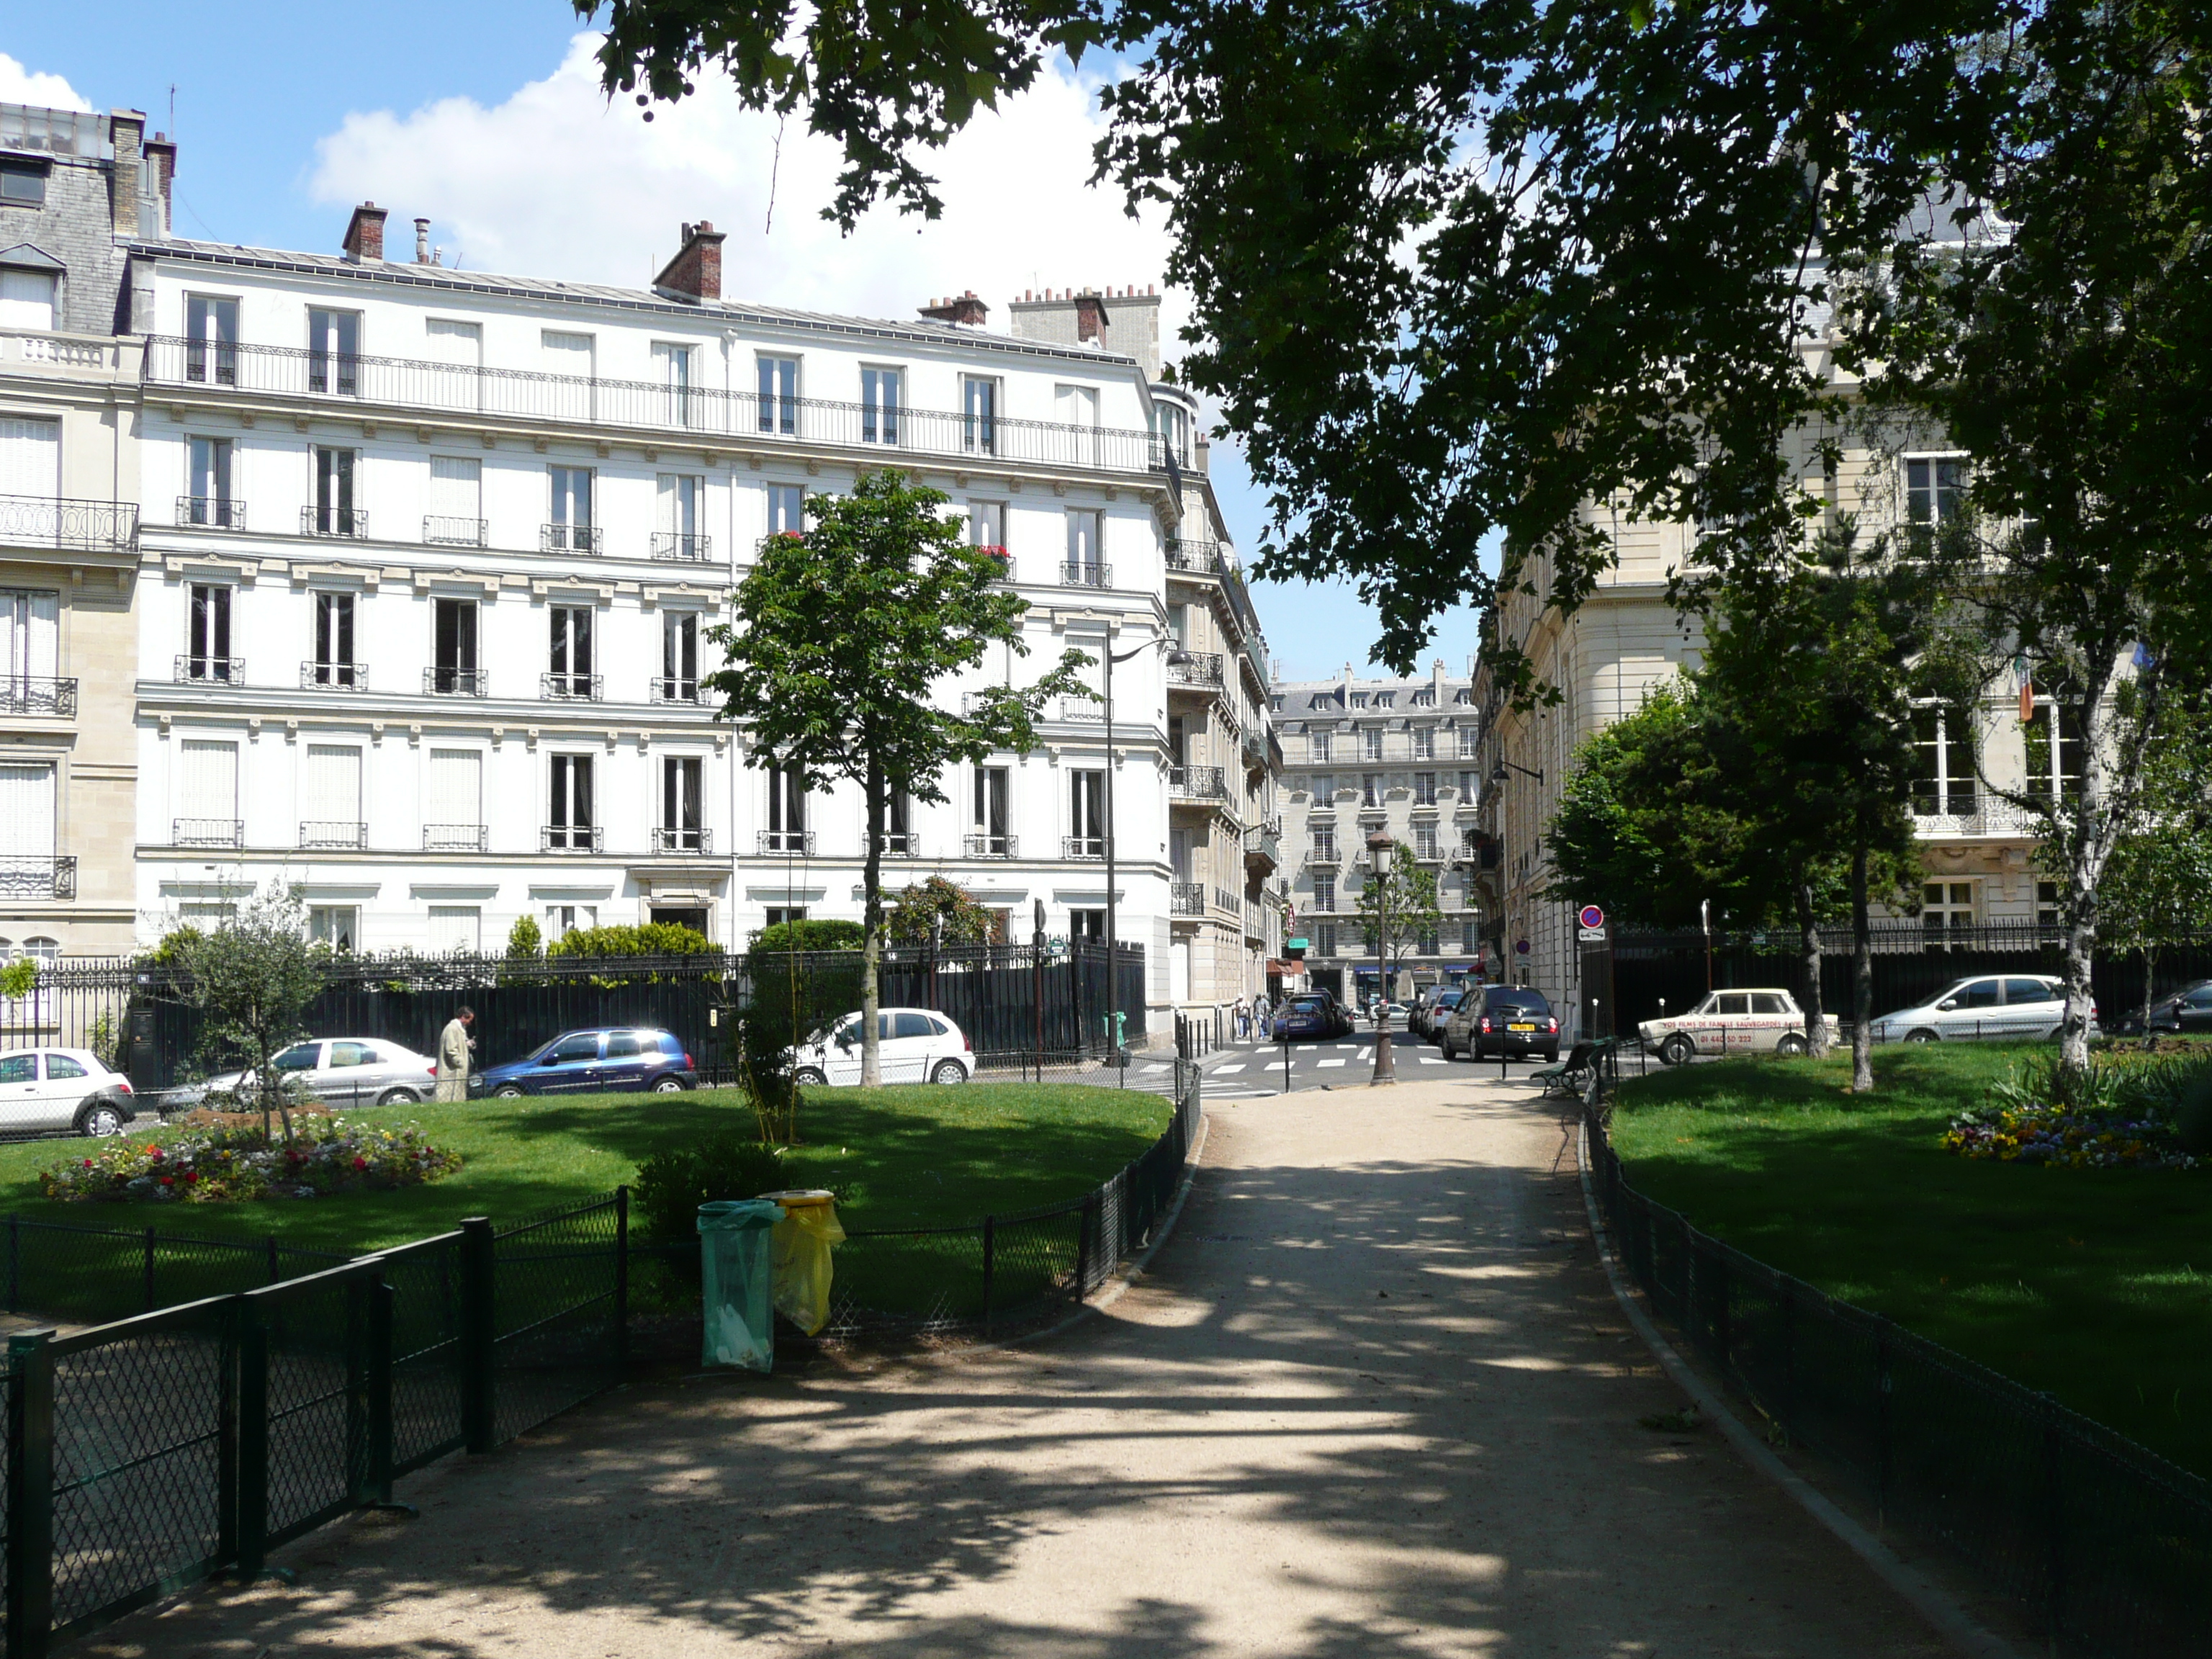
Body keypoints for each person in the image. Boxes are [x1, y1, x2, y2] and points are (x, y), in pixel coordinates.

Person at [436, 1006, 476, 1103]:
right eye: (469, 1020)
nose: (470, 1023)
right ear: (463, 1017)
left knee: (457, 1095)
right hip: (452, 1069)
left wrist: (468, 1044)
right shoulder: (452, 1028)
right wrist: (460, 1062)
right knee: (447, 1095)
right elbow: (451, 1049)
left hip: (457, 1068)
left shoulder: (460, 1029)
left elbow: (458, 1044)